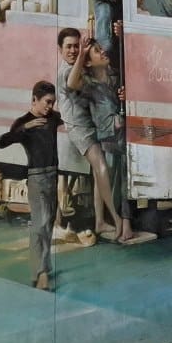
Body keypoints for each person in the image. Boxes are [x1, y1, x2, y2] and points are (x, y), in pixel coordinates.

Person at [56, 27, 125, 238]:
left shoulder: (85, 70)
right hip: (80, 128)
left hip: (90, 123)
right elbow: (72, 82)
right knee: (101, 166)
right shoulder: (67, 71)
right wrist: (83, 56)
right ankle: (115, 217)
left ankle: (100, 221)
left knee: (98, 173)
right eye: (68, 47)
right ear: (60, 49)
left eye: (76, 46)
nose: (73, 50)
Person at [0, 81, 64, 290]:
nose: (50, 107)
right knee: (39, 224)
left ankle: (43, 267)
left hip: (53, 176)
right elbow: (1, 142)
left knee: (48, 223)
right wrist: (26, 128)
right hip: (36, 177)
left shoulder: (53, 118)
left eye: (53, 102)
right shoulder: (23, 122)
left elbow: (70, 118)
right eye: (47, 102)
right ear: (34, 99)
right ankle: (40, 272)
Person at [83, 40, 135, 243]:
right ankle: (118, 221)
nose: (103, 52)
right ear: (89, 62)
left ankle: (125, 222)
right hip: (108, 137)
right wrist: (82, 55)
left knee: (124, 178)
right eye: (97, 51)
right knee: (113, 180)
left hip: (122, 133)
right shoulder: (89, 85)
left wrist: (126, 95)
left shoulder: (116, 76)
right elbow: (71, 83)